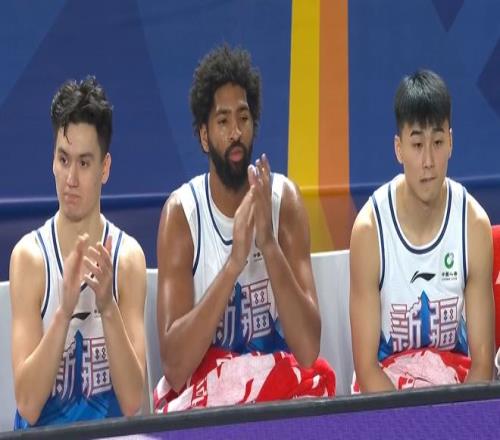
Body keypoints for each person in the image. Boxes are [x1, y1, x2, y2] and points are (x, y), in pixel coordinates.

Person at [155, 45, 333, 411]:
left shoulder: (284, 201)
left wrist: (268, 244)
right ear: (204, 136)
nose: (236, 132)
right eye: (223, 122)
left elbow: (308, 349)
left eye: (244, 118)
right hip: (210, 406)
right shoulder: (182, 215)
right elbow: (175, 368)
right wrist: (234, 263)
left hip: (279, 401)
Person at [9, 76, 147, 428]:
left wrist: (107, 306)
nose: (70, 178)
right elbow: (28, 405)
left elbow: (133, 402)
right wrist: (64, 310)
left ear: (105, 168)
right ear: (53, 161)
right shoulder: (30, 258)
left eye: (84, 163)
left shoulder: (127, 259)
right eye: (63, 159)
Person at [349, 69, 494, 393]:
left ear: (451, 143)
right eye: (417, 144)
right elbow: (366, 368)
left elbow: (483, 365)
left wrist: (453, 419)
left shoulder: (472, 225)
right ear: (398, 148)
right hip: (385, 396)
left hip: (455, 393)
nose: (428, 160)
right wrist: (412, 420)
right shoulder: (370, 231)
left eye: (437, 142)